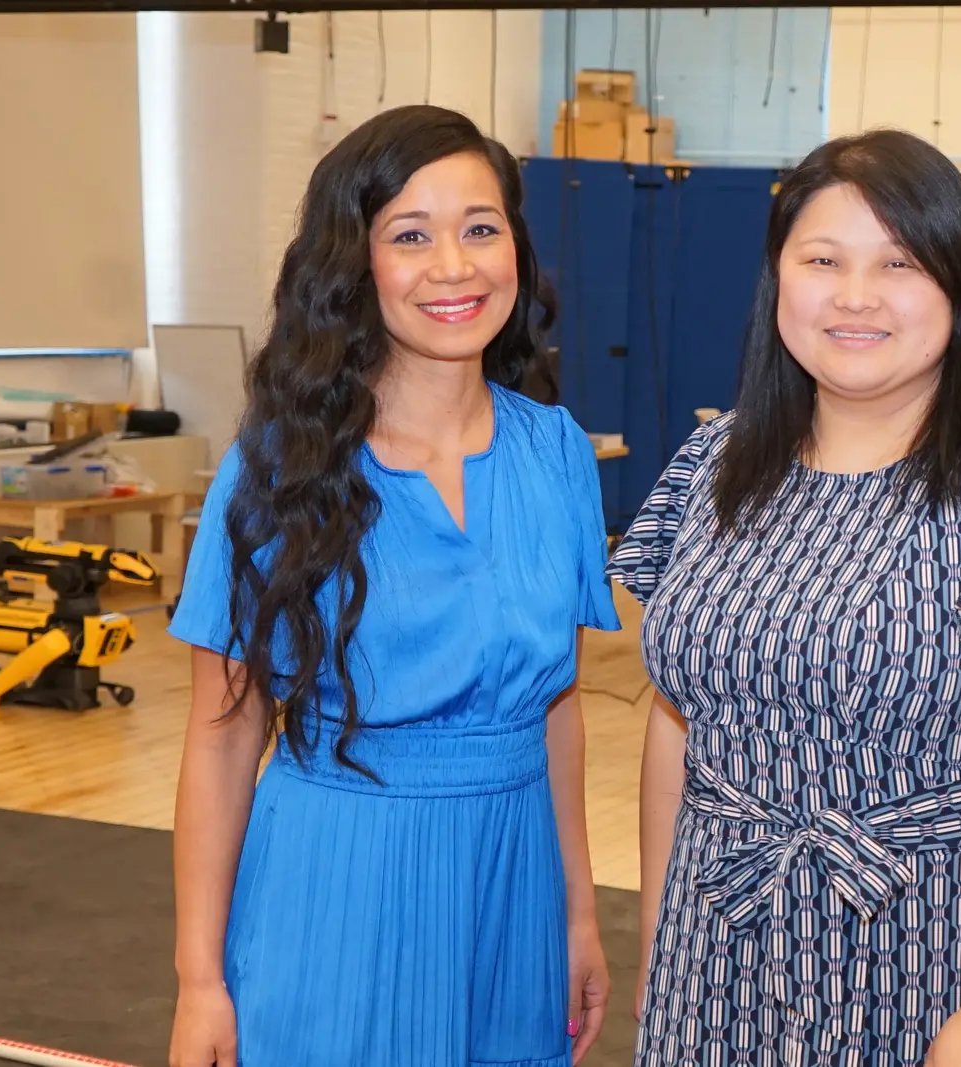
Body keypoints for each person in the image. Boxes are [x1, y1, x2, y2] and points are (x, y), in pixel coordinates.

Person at [608, 128, 961, 1067]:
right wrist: (664, 943)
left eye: (898, 263)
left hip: (934, 951)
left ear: (958, 286)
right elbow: (681, 724)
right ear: (778, 277)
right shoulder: (714, 464)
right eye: (822, 259)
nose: (855, 296)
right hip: (721, 946)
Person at [166, 105, 619, 1067]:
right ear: (353, 267)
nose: (454, 267)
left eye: (480, 229)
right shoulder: (277, 468)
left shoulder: (560, 454)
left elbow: (560, 707)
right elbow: (223, 732)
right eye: (410, 236)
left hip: (512, 883)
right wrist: (199, 981)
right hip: (338, 879)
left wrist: (578, 912)